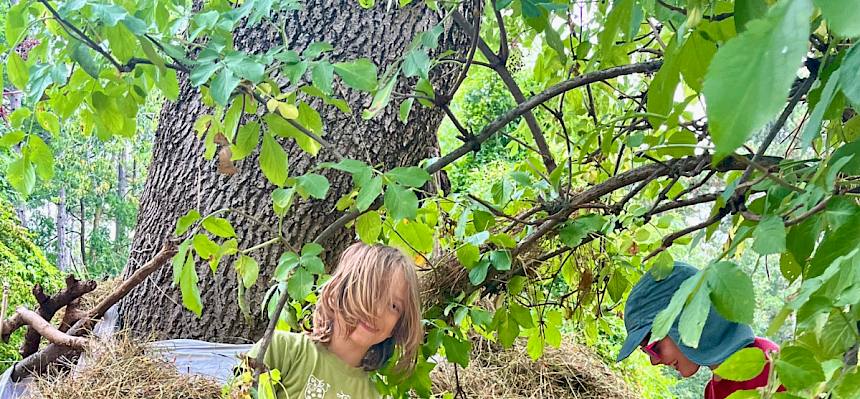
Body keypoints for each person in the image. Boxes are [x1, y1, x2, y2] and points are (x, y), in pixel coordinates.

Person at [247, 242, 423, 399]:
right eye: (372, 293)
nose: (377, 312)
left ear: (397, 326)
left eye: (393, 306)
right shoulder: (281, 350)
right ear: (339, 291)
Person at [616, 262, 784, 399]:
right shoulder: (712, 392)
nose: (654, 361)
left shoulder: (770, 364)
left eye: (654, 347)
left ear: (683, 318)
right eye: (647, 352)